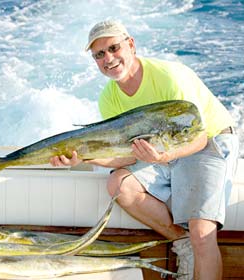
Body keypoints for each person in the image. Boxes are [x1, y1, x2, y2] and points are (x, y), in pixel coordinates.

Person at [50, 20, 239, 280]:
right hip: (162, 151)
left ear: (131, 44)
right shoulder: (109, 98)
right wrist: (81, 158)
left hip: (207, 142)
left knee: (201, 231)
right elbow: (126, 154)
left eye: (114, 48)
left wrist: (164, 157)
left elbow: (197, 139)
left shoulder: (170, 77)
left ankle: (193, 243)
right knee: (119, 184)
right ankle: (182, 243)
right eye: (100, 55)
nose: (109, 58)